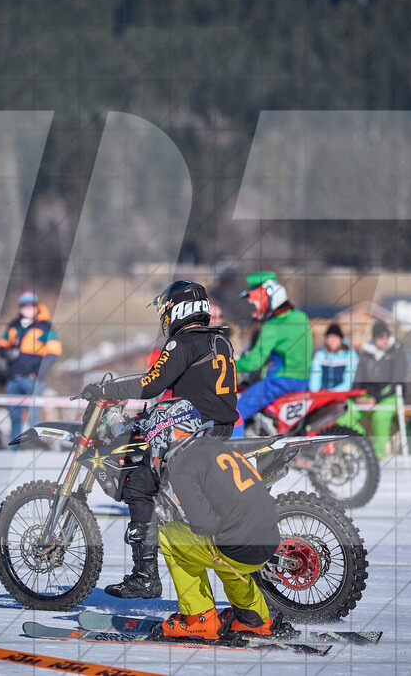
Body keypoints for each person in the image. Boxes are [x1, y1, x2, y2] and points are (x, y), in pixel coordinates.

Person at [82, 280, 239, 600]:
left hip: (194, 427)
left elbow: (152, 384)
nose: (164, 318)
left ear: (180, 310)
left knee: (138, 480)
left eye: (166, 310)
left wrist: (107, 391)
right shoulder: (219, 341)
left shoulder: (183, 343)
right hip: (220, 427)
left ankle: (144, 575)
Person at [137, 398, 281, 641]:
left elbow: (206, 525)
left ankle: (199, 619)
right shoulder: (219, 447)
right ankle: (253, 618)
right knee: (225, 544)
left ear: (170, 430)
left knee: (170, 536)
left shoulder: (182, 463)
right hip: (268, 540)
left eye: (155, 431)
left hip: (240, 548)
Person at [232, 272, 313, 438]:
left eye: (256, 303)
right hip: (304, 381)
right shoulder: (301, 317)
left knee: (236, 411)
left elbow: (255, 361)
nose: (256, 309)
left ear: (268, 299)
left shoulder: (272, 327)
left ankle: (233, 455)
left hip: (280, 381)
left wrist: (231, 365)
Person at [0, 292, 61, 442]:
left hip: (32, 380)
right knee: (14, 416)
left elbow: (53, 353)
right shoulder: (13, 326)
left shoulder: (45, 327)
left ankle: (33, 445)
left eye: (31, 305)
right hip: (13, 379)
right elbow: (0, 347)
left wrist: (39, 374)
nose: (28, 308)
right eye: (24, 305)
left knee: (33, 416)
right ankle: (16, 446)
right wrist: (8, 352)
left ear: (36, 306)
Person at [337, 320, 407, 458]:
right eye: (381, 337)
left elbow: (396, 381)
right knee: (343, 414)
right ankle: (364, 445)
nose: (385, 340)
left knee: (380, 416)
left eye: (387, 336)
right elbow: (358, 378)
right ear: (374, 338)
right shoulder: (365, 354)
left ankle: (378, 456)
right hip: (366, 397)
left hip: (389, 396)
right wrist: (357, 397)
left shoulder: (397, 353)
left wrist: (376, 399)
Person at [309, 322, 359, 392]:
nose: (331, 340)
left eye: (335, 337)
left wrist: (331, 393)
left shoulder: (350, 356)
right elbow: (315, 380)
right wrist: (316, 393)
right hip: (323, 395)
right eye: (329, 337)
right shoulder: (320, 356)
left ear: (341, 339)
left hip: (342, 395)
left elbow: (348, 383)